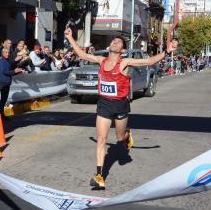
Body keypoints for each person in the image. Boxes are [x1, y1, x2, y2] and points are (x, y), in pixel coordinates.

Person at [64, 28, 178, 189]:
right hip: (104, 103)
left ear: (122, 49)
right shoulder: (101, 60)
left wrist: (167, 50)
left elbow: (148, 62)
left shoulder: (124, 62)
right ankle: (99, 175)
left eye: (118, 42)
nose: (114, 42)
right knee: (101, 139)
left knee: (119, 138)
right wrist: (70, 37)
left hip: (120, 105)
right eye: (113, 41)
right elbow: (82, 55)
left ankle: (126, 135)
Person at [0, 49, 24, 119]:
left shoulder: (7, 60)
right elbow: (5, 72)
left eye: (8, 53)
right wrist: (14, 71)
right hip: (3, 82)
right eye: (6, 53)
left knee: (4, 99)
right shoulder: (1, 61)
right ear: (2, 53)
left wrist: (18, 61)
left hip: (7, 81)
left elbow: (12, 63)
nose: (7, 54)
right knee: (3, 99)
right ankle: (1, 114)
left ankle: (2, 114)